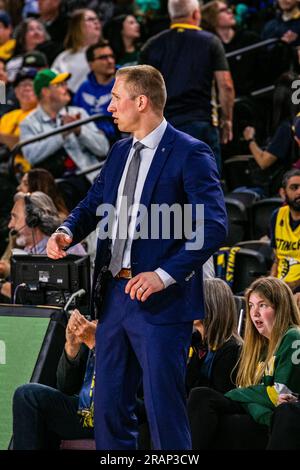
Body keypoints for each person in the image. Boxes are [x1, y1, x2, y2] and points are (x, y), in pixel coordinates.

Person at [46, 64, 227, 450]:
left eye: (115, 97)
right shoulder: (118, 152)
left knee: (164, 411)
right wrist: (66, 230)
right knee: (108, 409)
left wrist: (163, 274)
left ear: (140, 101)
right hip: (113, 298)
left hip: (161, 302)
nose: (110, 106)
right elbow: (94, 203)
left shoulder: (190, 152)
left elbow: (212, 226)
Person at [188, 277, 300, 450]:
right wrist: (250, 400)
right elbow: (252, 389)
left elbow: (279, 395)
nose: (254, 313)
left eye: (262, 305)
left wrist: (237, 395)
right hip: (257, 413)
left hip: (275, 420)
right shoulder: (259, 345)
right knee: (201, 396)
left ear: (281, 307)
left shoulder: (293, 338)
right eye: (251, 306)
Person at [140, 0, 235, 172]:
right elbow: (226, 85)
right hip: (200, 122)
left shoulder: (151, 45)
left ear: (171, 15)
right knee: (205, 185)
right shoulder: (210, 41)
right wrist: (227, 119)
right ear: (196, 14)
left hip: (163, 127)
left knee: (171, 189)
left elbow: (140, 90)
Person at [19, 68, 110, 207]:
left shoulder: (79, 113)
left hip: (89, 179)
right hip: (56, 187)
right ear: (45, 91)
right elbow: (31, 155)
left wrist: (79, 130)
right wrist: (62, 134)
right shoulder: (28, 123)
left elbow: (103, 149)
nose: (66, 88)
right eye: (60, 85)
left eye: (65, 84)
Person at [12, 309, 96, 449]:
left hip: (121, 407)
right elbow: (65, 387)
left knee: (29, 395)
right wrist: (72, 346)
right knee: (28, 396)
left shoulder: (132, 322)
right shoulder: (94, 321)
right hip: (87, 410)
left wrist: (97, 344)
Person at [0, 191, 86, 300]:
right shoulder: (27, 250)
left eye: (15, 217)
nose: (10, 225)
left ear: (32, 220)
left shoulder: (65, 247)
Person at [186, 278, 242, 396]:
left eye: (195, 302)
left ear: (211, 307)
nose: (189, 307)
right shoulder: (194, 341)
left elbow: (212, 397)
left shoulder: (232, 350)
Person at [73, 40, 118, 144]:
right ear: (91, 64)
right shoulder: (84, 88)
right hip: (89, 141)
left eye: (111, 56)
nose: (110, 61)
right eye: (103, 58)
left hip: (118, 141)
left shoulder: (125, 82)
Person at [51, 9, 102, 94]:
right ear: (77, 26)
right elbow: (53, 84)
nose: (96, 22)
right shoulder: (64, 57)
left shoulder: (107, 53)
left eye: (97, 19)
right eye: (90, 19)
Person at [270, 168, 300, 290]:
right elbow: (277, 259)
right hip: (282, 285)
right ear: (283, 193)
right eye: (294, 187)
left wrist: (292, 287)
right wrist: (270, 283)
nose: (299, 192)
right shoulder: (277, 215)